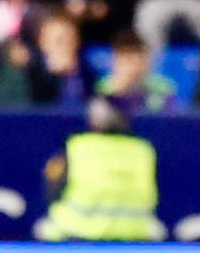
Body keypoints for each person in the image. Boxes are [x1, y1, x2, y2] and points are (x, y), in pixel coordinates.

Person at [41, 97, 160, 241]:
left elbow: (53, 189)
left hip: (77, 233)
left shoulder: (77, 147)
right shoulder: (143, 150)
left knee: (45, 229)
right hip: (137, 233)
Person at [96, 29, 178, 112]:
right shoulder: (102, 91)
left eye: (139, 58)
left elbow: (171, 115)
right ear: (115, 60)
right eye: (128, 59)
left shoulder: (163, 89)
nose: (134, 67)